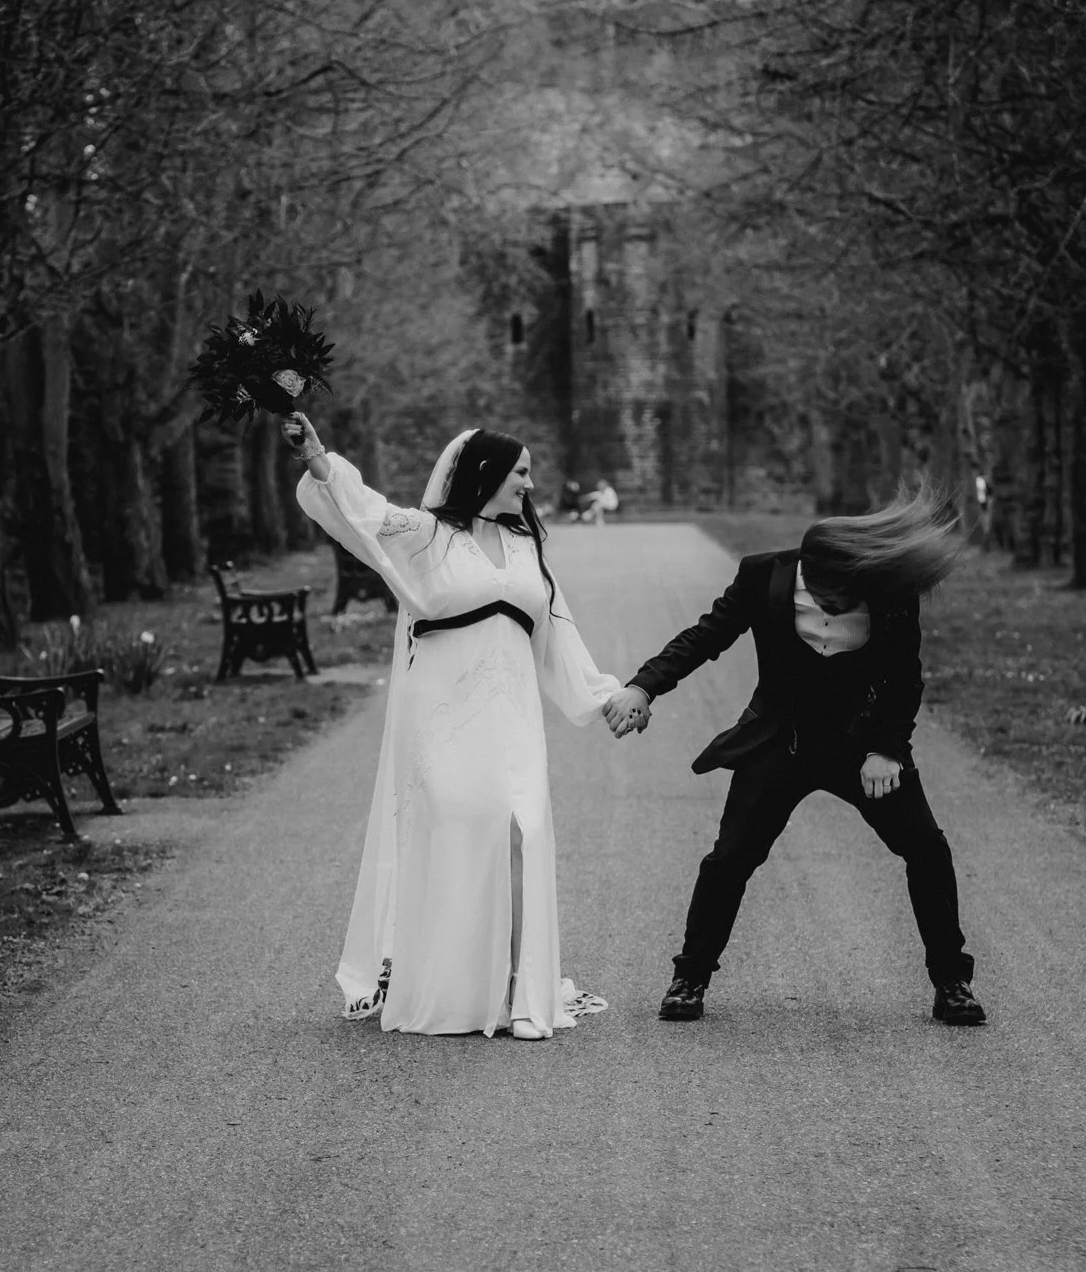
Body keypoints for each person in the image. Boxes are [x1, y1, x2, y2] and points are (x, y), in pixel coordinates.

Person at [287, 411, 621, 1040]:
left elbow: (560, 631)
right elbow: (362, 511)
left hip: (513, 717)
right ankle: (453, 986)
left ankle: (521, 994)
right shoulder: (426, 534)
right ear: (488, 473)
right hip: (441, 714)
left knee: (521, 827)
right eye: (520, 471)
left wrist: (607, 697)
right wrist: (317, 456)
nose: (528, 483)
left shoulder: (528, 549)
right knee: (462, 827)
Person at [599, 486, 986, 1026]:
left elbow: (905, 680)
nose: (843, 606)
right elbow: (705, 636)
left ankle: (953, 983)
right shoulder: (766, 576)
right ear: (811, 574)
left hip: (863, 747)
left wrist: (886, 750)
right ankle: (690, 977)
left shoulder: (889, 591)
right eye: (836, 597)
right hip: (781, 743)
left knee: (926, 848)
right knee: (731, 858)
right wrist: (643, 687)